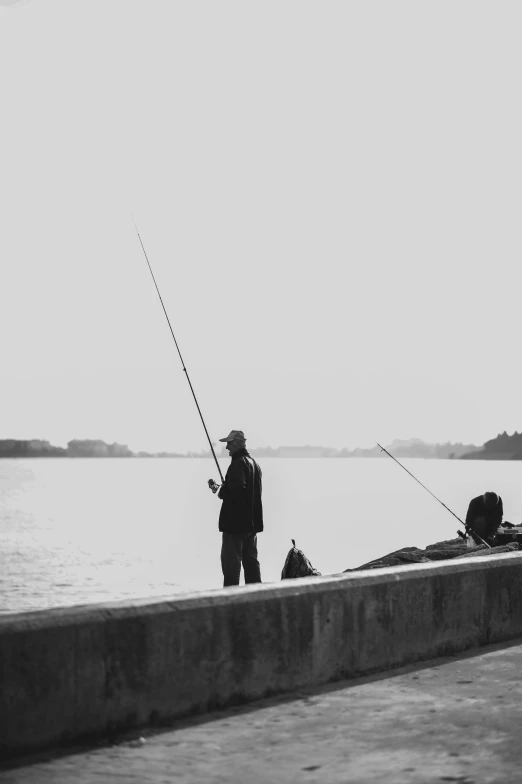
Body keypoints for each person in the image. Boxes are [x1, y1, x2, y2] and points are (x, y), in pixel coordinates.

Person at [208, 430, 263, 587]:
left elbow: (236, 490)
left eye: (229, 443)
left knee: (231, 568)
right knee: (252, 566)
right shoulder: (255, 464)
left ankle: (230, 602)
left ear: (238, 443)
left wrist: (221, 490)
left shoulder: (238, 463)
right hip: (251, 527)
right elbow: (245, 492)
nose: (227, 447)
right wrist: (222, 488)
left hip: (235, 528)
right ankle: (257, 598)